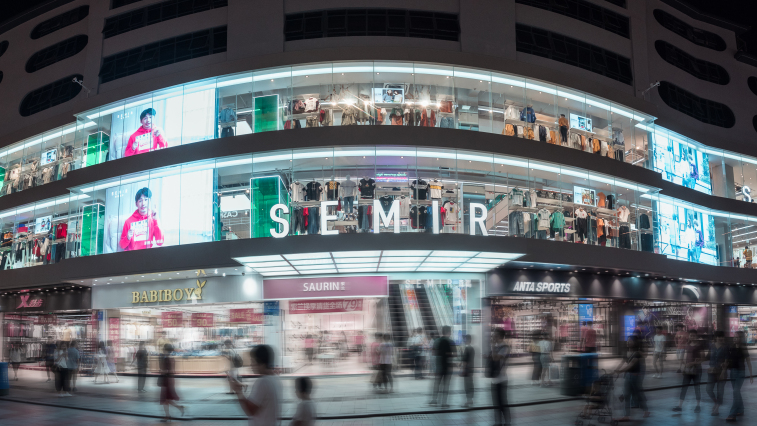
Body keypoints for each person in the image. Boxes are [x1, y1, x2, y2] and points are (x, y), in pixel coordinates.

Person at [230, 345, 282, 426]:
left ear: (262, 363)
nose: (251, 365)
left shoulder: (263, 382)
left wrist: (238, 392)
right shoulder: (276, 379)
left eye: (253, 361)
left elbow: (250, 410)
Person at [615, 335, 650, 420]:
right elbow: (622, 362)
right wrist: (616, 370)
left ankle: (646, 410)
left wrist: (620, 371)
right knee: (627, 395)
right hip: (628, 376)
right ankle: (626, 415)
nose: (628, 342)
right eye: (628, 340)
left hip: (635, 377)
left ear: (635, 342)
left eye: (630, 341)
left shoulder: (637, 353)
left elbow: (631, 365)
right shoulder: (627, 352)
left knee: (638, 394)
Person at [673, 329, 703, 413]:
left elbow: (702, 358)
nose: (692, 337)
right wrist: (684, 367)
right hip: (688, 370)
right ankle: (679, 406)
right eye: (691, 335)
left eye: (694, 335)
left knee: (697, 388)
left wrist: (693, 363)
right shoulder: (687, 345)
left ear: (696, 336)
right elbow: (686, 357)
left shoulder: (699, 346)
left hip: (696, 370)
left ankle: (698, 406)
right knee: (684, 387)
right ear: (689, 336)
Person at [726, 331, 753, 422]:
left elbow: (748, 361)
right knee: (736, 392)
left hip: (740, 373)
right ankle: (741, 410)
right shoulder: (732, 347)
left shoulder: (743, 349)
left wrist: (751, 375)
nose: (735, 338)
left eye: (737, 337)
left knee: (735, 391)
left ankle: (732, 414)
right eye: (734, 337)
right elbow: (728, 360)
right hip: (732, 372)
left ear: (741, 339)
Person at [429, 325, 455, 407]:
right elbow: (454, 354)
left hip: (438, 366)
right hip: (447, 366)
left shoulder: (437, 341)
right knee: (446, 385)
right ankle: (444, 402)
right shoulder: (451, 341)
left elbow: (433, 353)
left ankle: (434, 400)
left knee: (437, 383)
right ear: (449, 332)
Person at [159, 344, 185, 421]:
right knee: (166, 399)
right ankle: (172, 412)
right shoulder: (170, 358)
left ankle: (168, 415)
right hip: (169, 380)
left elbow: (170, 371)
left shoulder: (167, 359)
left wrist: (163, 371)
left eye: (164, 349)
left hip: (167, 380)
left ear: (166, 350)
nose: (163, 350)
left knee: (165, 399)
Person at [491, 328, 510, 426]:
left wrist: (493, 346)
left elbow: (496, 358)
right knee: (496, 403)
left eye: (495, 334)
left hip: (502, 379)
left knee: (502, 402)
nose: (493, 336)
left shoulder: (505, 347)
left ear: (499, 336)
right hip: (494, 378)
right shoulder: (497, 346)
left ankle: (507, 422)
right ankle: (498, 422)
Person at [706, 331, 728, 416]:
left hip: (721, 371)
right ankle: (716, 402)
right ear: (715, 337)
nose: (720, 338)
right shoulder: (712, 346)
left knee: (720, 391)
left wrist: (723, 373)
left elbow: (726, 361)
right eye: (719, 337)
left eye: (722, 336)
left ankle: (717, 408)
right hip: (712, 371)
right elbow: (708, 357)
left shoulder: (725, 347)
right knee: (708, 389)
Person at [460, 334, 475, 407]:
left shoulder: (467, 348)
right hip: (471, 369)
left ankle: (468, 401)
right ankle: (470, 400)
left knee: (467, 385)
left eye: (465, 339)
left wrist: (463, 370)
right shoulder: (472, 348)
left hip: (467, 369)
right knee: (470, 384)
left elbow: (465, 361)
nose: (464, 340)